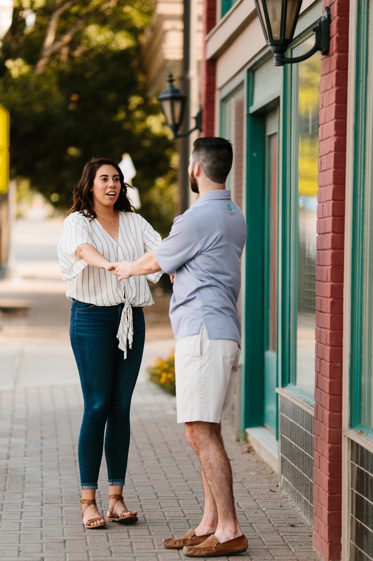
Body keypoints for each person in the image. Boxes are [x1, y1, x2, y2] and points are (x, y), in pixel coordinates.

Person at [114, 137, 251, 556]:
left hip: (203, 334)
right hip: (220, 329)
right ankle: (210, 522)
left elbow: (155, 261)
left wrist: (124, 267)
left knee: (199, 432)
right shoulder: (233, 213)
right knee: (205, 429)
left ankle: (229, 529)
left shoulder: (194, 218)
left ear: (195, 169)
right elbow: (200, 261)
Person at [57, 157, 163, 529]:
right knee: (98, 404)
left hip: (131, 317)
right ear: (89, 185)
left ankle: (116, 498)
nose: (111, 184)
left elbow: (161, 253)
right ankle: (89, 500)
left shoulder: (135, 221)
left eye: (116, 179)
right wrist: (111, 265)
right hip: (91, 318)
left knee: (120, 406)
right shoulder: (77, 222)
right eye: (104, 179)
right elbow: (82, 251)